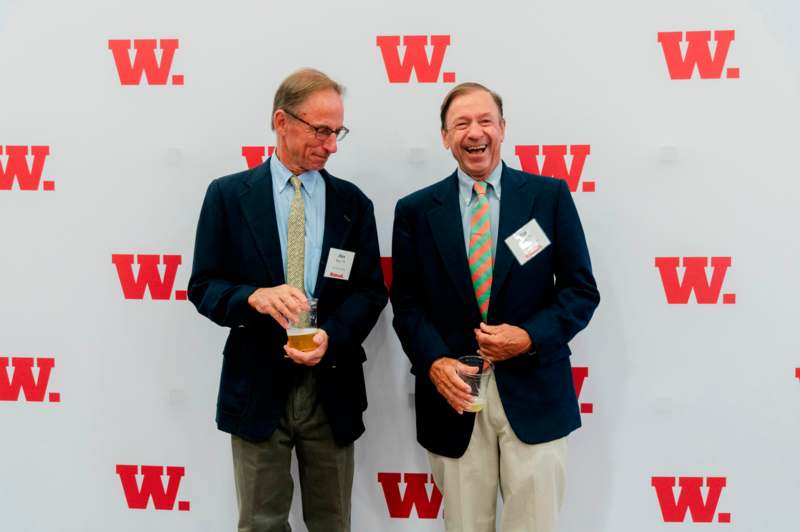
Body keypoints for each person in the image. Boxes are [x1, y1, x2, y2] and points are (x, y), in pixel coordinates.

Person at [391, 82, 600, 532]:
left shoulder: (549, 197)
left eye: (485, 120)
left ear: (503, 129)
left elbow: (580, 292)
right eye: (461, 123)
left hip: (536, 393)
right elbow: (406, 306)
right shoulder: (415, 211)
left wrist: (528, 337)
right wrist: (434, 363)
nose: (475, 132)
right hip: (455, 399)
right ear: (444, 137)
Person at [188, 68, 387, 532]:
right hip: (256, 385)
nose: (331, 145)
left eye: (337, 132)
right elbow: (203, 287)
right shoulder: (227, 196)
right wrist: (253, 297)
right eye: (321, 130)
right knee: (260, 522)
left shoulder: (353, 204)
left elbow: (370, 291)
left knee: (333, 522)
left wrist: (330, 337)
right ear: (281, 121)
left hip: (331, 386)